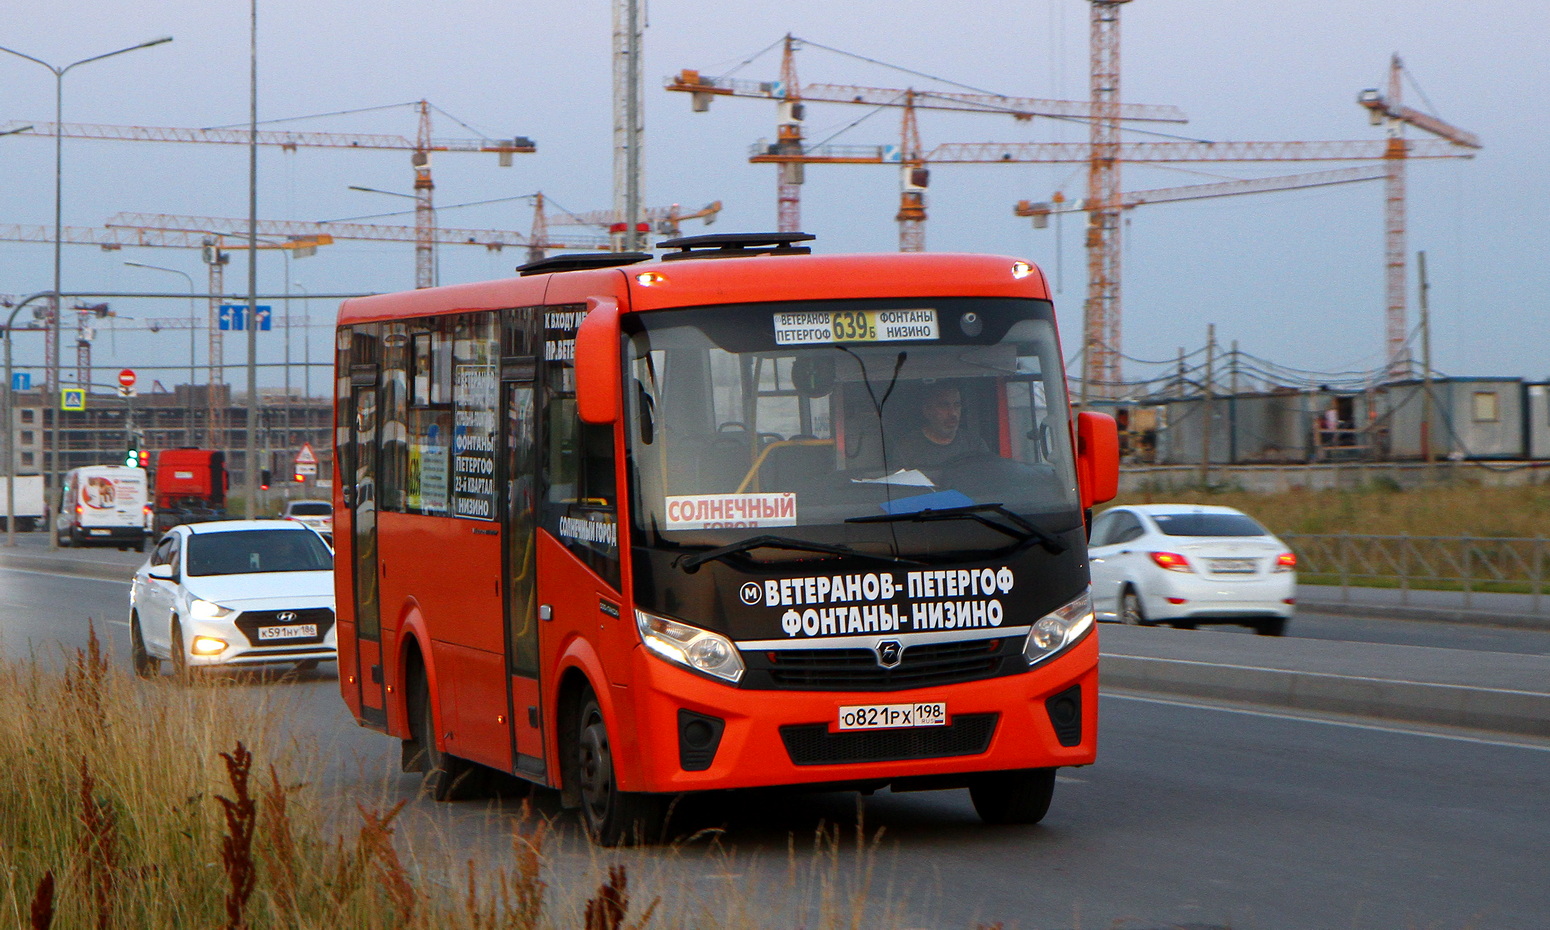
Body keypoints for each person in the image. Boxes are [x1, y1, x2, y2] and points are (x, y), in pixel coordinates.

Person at [890, 382, 988, 471]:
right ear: (927, 410)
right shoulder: (908, 448)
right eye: (944, 406)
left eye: (957, 405)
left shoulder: (975, 445)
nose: (953, 413)